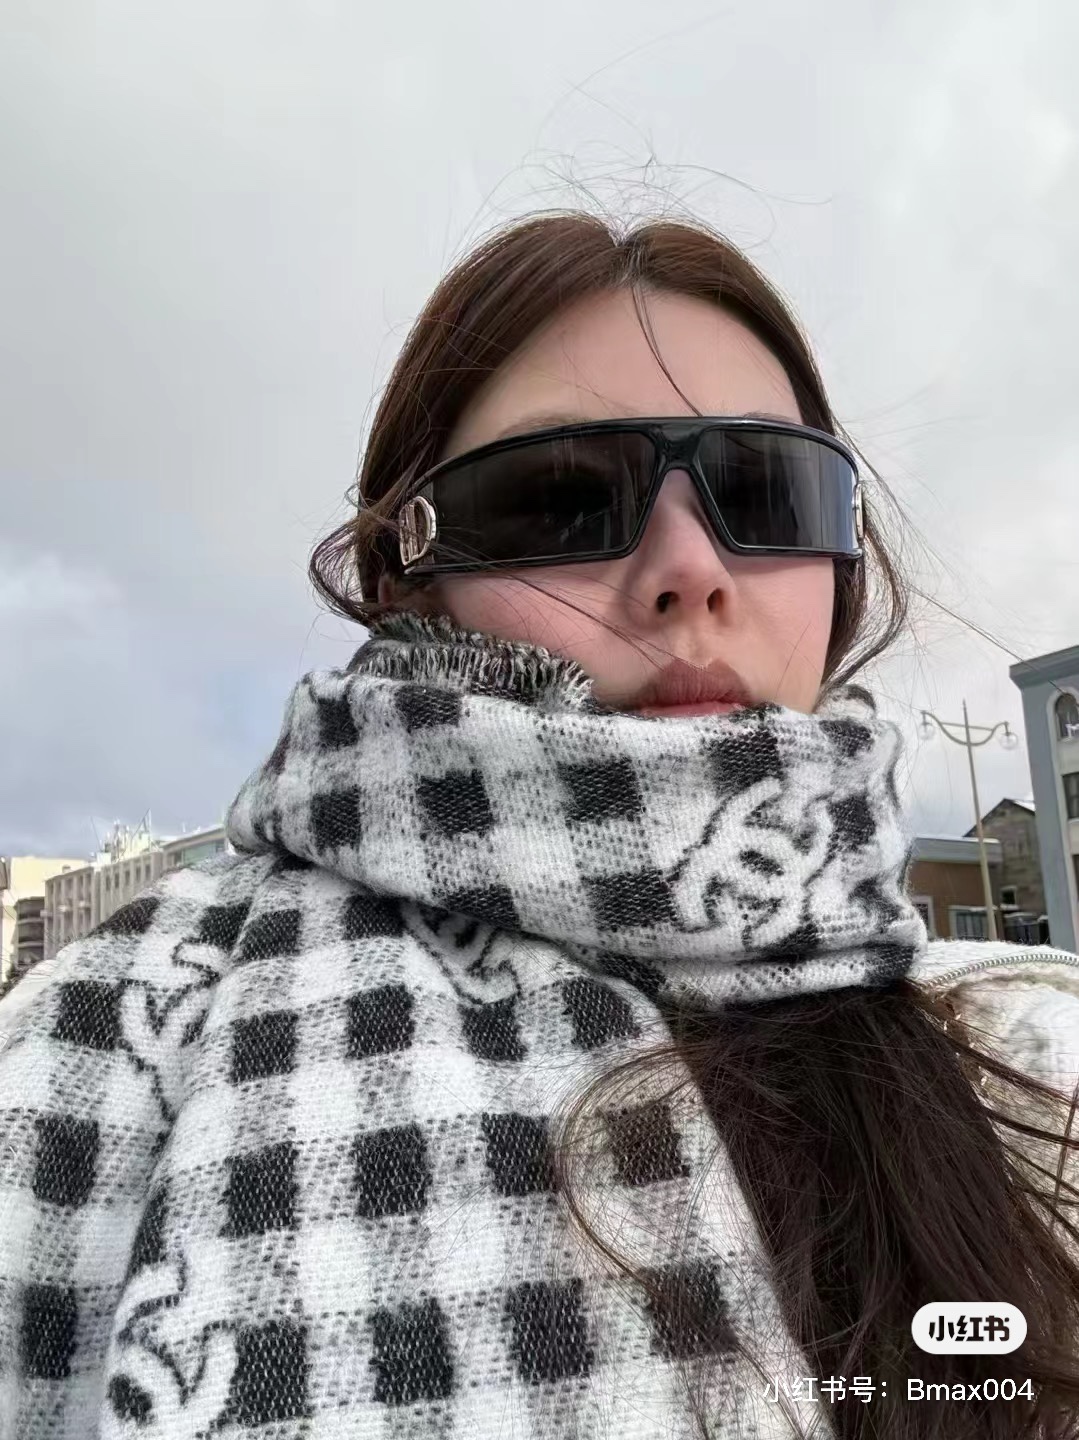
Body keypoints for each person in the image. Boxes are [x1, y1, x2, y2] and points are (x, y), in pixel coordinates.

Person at [2, 212, 1079, 1440]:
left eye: (764, 489)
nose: (689, 568)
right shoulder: (92, 1054)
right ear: (404, 576)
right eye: (561, 500)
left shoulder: (1034, 1069)